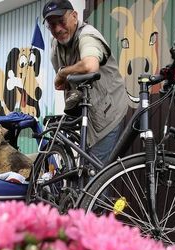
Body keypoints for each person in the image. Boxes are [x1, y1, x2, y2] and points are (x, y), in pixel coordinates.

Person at [43, 0, 129, 164]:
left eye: (61, 21)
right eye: (52, 25)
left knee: (94, 173)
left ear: (74, 16)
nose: (58, 29)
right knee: (82, 168)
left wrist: (63, 72)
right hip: (85, 113)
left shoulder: (88, 35)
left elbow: (90, 66)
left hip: (107, 113)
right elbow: (61, 85)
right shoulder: (56, 46)